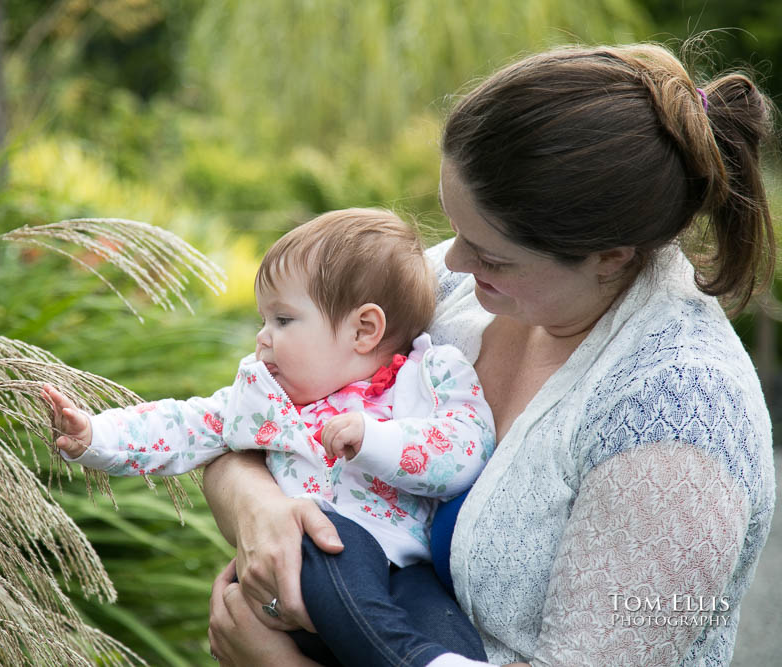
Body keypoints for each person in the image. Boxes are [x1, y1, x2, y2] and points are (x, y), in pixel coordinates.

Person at [204, 43, 777, 666]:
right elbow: (243, 418)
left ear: (610, 255)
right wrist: (258, 510)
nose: (449, 261)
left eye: (490, 253)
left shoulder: (680, 429)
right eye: (457, 227)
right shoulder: (456, 291)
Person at [43, 208, 497, 664]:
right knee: (328, 538)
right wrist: (95, 435)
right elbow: (182, 424)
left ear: (364, 329)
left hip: (402, 570)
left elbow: (465, 451)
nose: (262, 338)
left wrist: (376, 440)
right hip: (300, 567)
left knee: (440, 620)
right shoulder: (267, 397)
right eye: (264, 320)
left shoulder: (429, 376)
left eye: (282, 320)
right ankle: (411, 658)